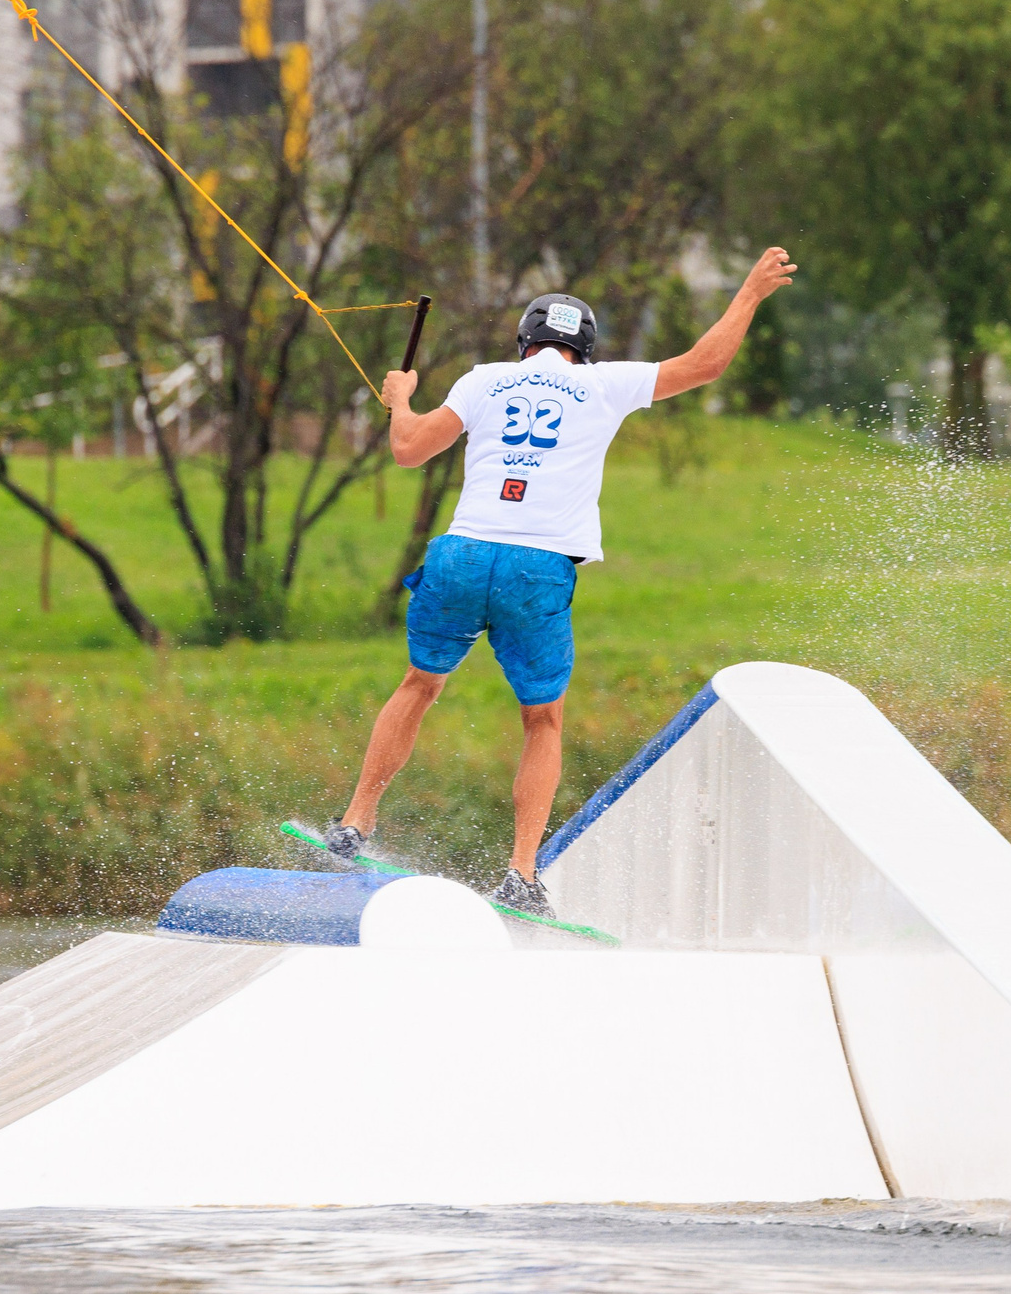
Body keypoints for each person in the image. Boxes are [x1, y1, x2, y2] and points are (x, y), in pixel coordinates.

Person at [323, 247, 799, 916]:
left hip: (460, 554)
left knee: (420, 683)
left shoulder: (484, 379)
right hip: (536, 569)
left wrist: (400, 400)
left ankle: (353, 823)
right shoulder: (605, 385)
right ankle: (520, 873)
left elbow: (407, 450)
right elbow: (704, 364)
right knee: (541, 720)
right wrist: (748, 292)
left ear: (525, 345)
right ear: (588, 350)